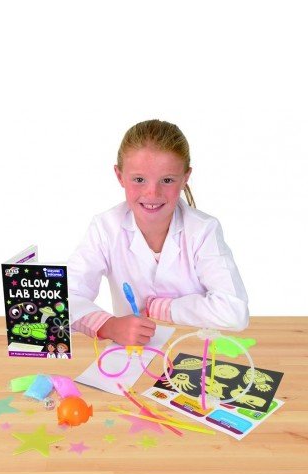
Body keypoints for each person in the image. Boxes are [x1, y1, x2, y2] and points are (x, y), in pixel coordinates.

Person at [68, 119, 249, 346]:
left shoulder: (203, 230)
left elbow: (234, 310)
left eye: (167, 180)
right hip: (132, 354)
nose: (152, 193)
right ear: (120, 176)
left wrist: (161, 308)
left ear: (185, 178)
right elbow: (65, 296)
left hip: (191, 351)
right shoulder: (105, 227)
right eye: (139, 179)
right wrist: (108, 326)